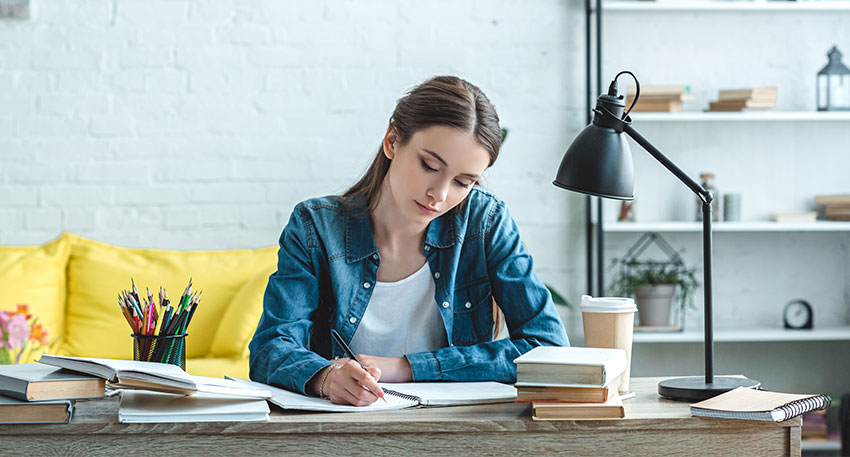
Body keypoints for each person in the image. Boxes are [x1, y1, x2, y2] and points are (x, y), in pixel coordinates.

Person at [249, 75, 569, 407]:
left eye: (463, 182)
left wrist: (406, 368)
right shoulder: (316, 227)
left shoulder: (485, 222)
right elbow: (270, 349)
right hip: (338, 431)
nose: (440, 194)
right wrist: (326, 378)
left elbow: (549, 348)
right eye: (430, 166)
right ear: (392, 141)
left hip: (457, 433)